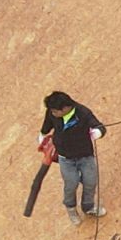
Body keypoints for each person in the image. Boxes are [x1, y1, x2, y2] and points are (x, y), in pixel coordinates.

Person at [40, 89, 107, 220]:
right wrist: (42, 138)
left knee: (90, 182)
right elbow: (46, 128)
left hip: (85, 156)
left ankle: (88, 207)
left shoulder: (83, 113)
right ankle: (70, 208)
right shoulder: (52, 113)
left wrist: (97, 133)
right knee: (71, 184)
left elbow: (100, 127)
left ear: (65, 108)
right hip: (66, 158)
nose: (52, 113)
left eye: (55, 111)